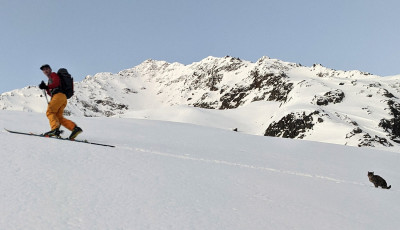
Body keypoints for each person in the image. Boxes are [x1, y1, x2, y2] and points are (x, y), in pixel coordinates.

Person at [38, 64, 83, 139]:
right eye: (44, 70)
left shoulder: (53, 75)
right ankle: (74, 128)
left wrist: (47, 86)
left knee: (50, 112)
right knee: (59, 117)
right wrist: (45, 88)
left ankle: (54, 129)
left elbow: (56, 84)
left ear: (50, 69)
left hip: (58, 96)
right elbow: (51, 93)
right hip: (63, 98)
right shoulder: (50, 80)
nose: (45, 71)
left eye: (47, 69)